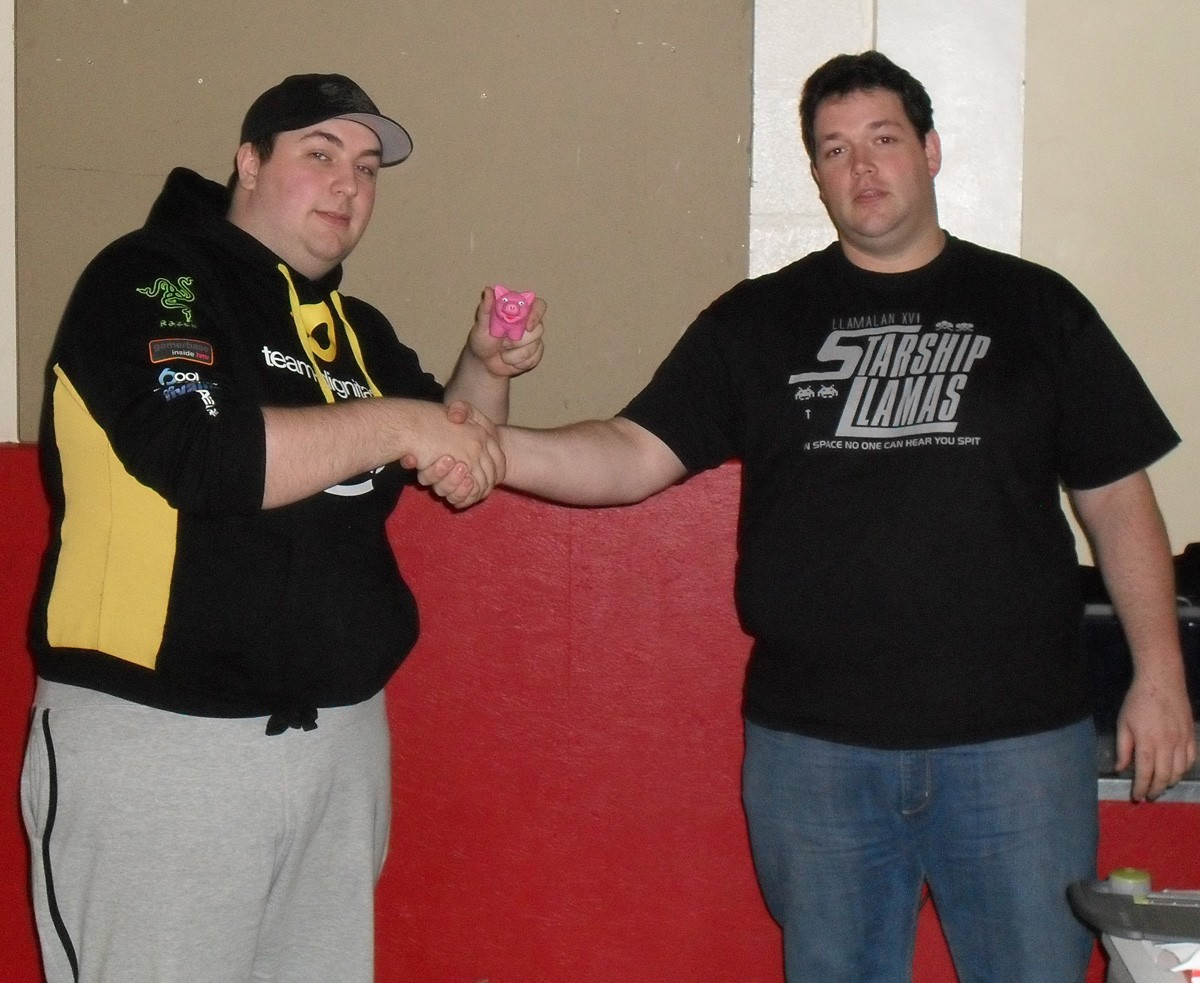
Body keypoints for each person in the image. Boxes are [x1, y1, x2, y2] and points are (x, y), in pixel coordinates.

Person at [423, 51, 1195, 982]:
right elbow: (629, 453)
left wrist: (1160, 676)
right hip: (817, 751)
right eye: (834, 150)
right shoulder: (757, 321)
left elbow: (1117, 498)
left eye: (882, 139)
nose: (861, 166)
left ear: (931, 151)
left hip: (1018, 744)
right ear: (818, 175)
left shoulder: (1038, 308)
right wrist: (495, 447)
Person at [22, 73, 542, 983]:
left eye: (368, 168)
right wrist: (398, 423)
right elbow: (208, 459)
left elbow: (450, 449)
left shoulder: (353, 329)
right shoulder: (151, 277)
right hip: (162, 747)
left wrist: (484, 369)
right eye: (321, 153)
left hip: (337, 744)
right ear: (249, 162)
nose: (349, 184)